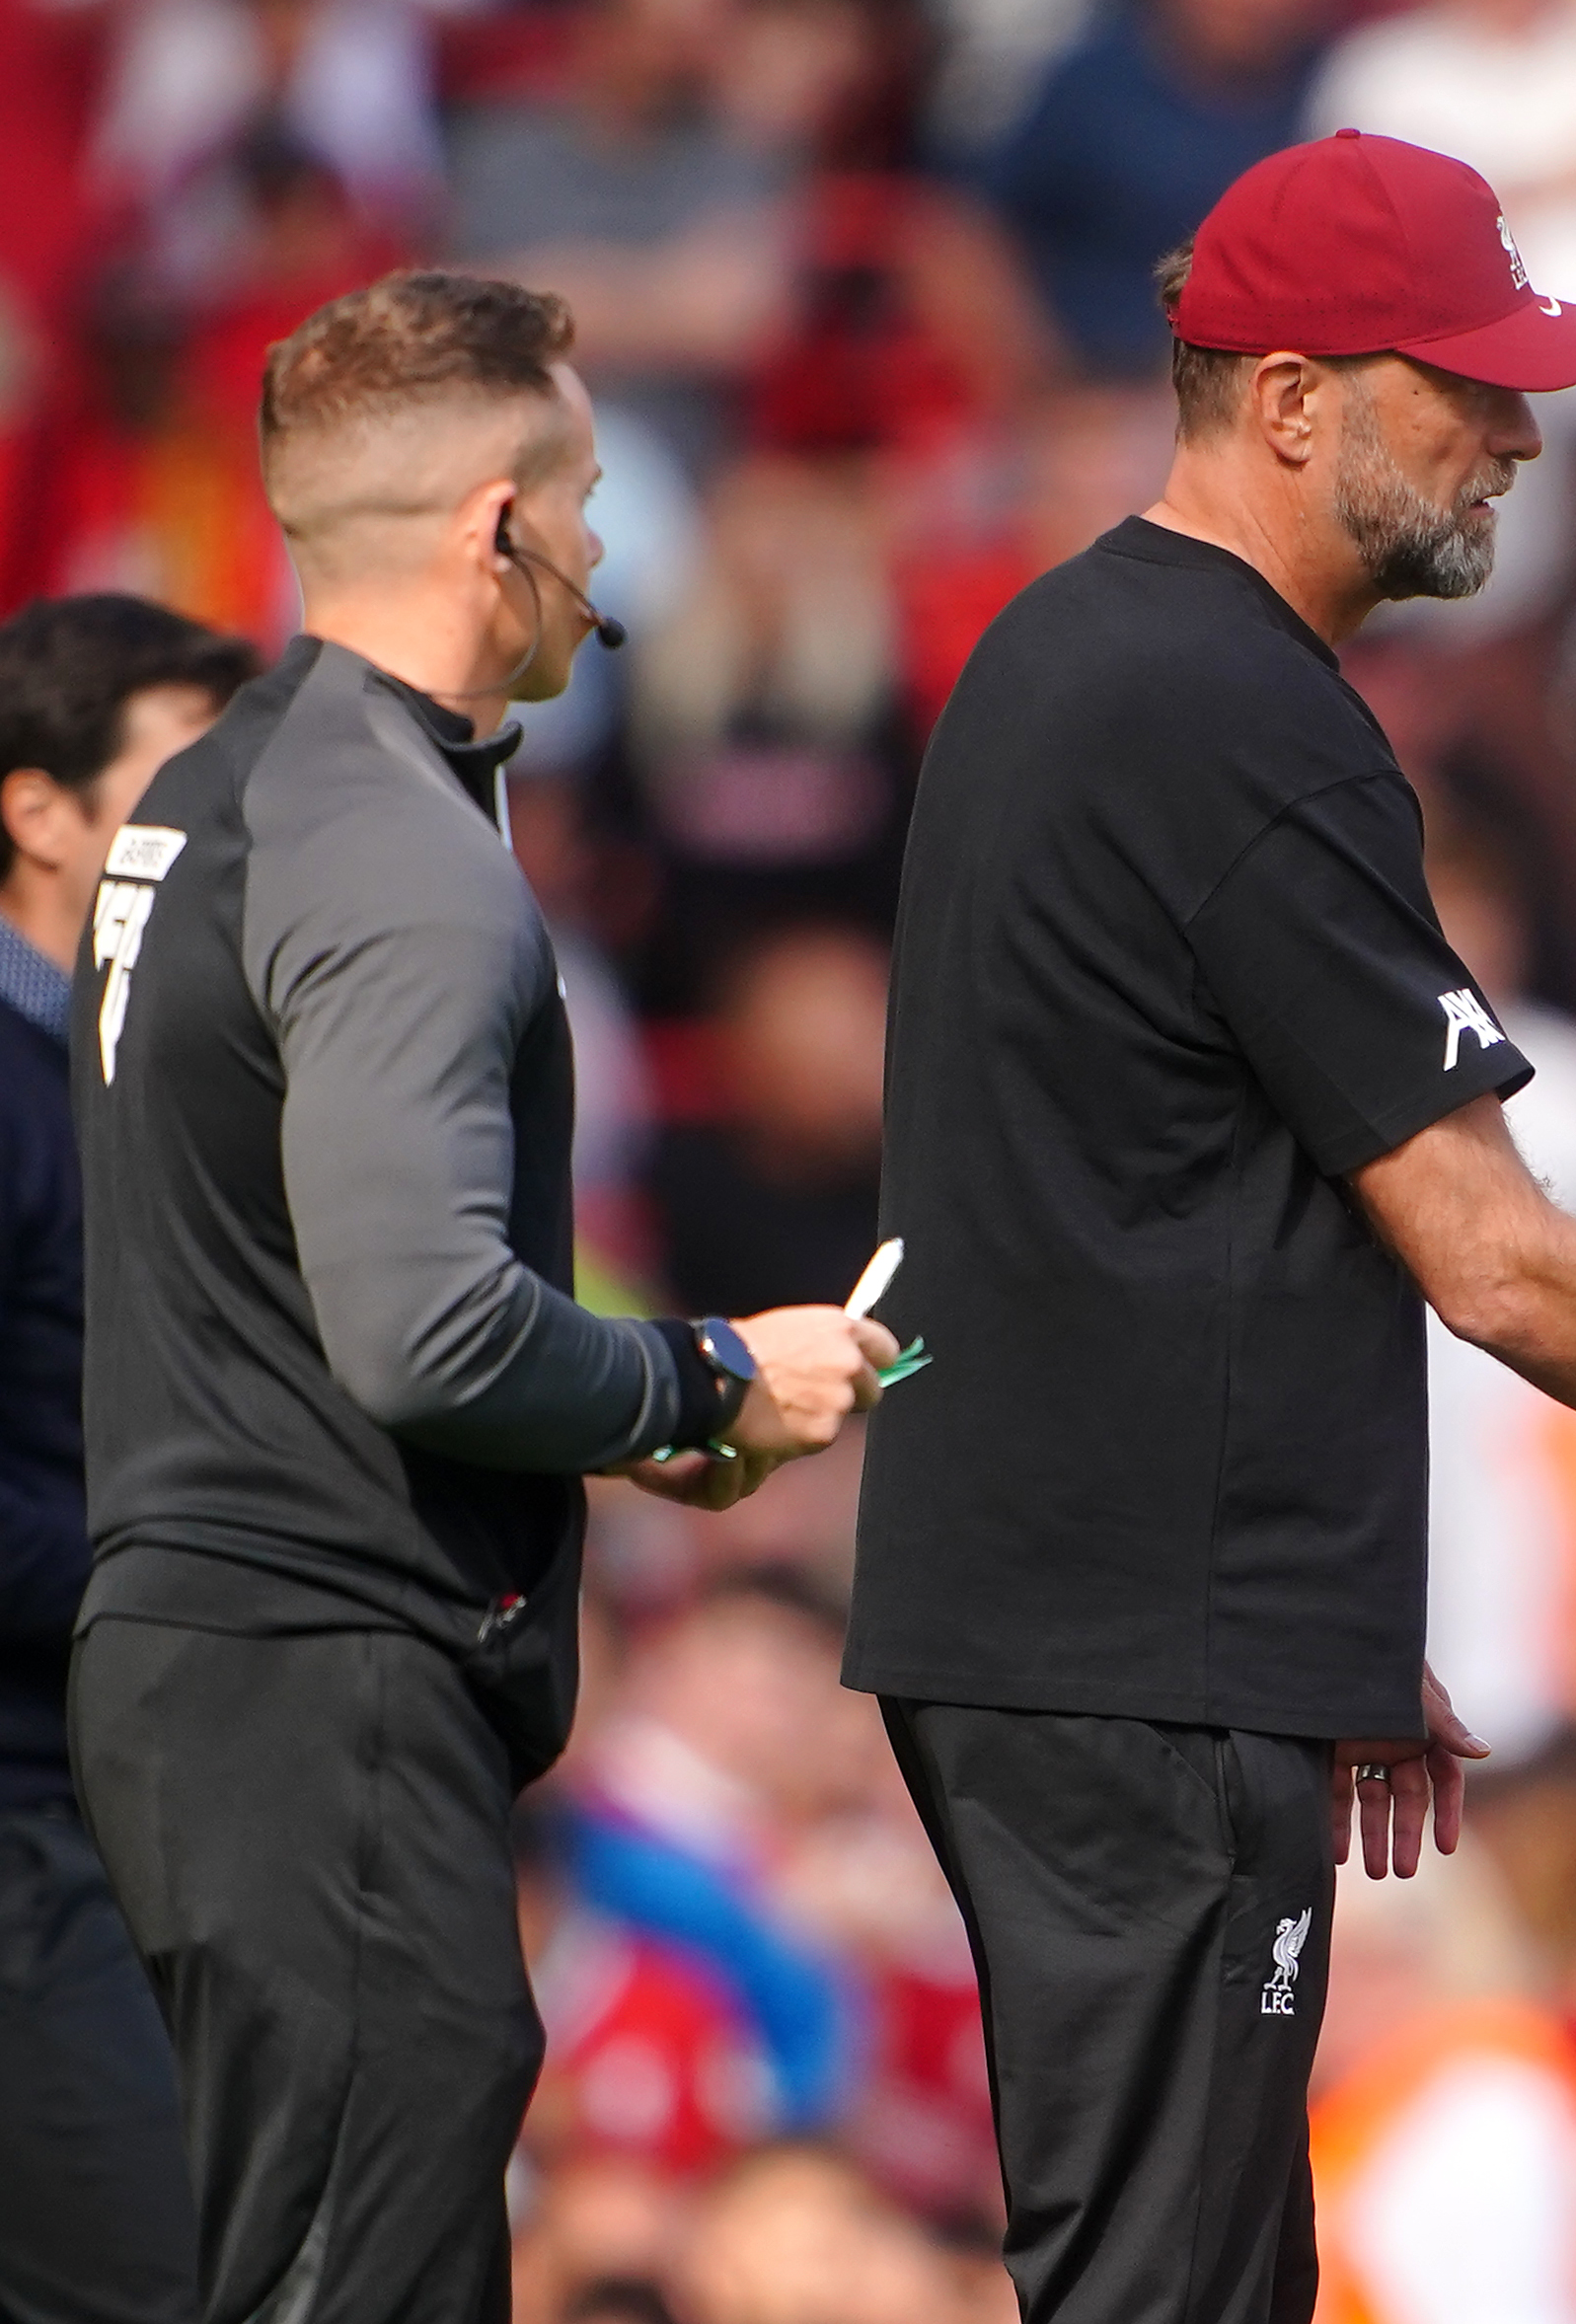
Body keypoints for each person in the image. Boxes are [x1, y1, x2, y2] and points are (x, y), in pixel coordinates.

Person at [852, 131, 1576, 2324]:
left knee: (1175, 2265)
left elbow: (1125, 1186)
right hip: (1134, 1653)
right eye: (1462, 382)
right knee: (1170, 2288)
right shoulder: (1234, 713)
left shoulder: (1078, 654)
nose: (1517, 429)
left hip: (1100, 1615)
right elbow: (1489, 1251)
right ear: (1292, 399)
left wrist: (1313, 1595)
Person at [63, 269, 895, 2324]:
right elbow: (422, 1330)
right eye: (591, 496)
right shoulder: (397, 848)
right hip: (325, 1671)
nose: (609, 550)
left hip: (214, 1660)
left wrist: (618, 1408)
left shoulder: (211, 795)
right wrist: (702, 1379)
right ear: (496, 527)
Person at [0, 594, 257, 2324]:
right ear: (39, 808)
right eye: (179, 774)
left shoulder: (157, 1066)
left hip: (141, 1801)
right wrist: (179, 1577)